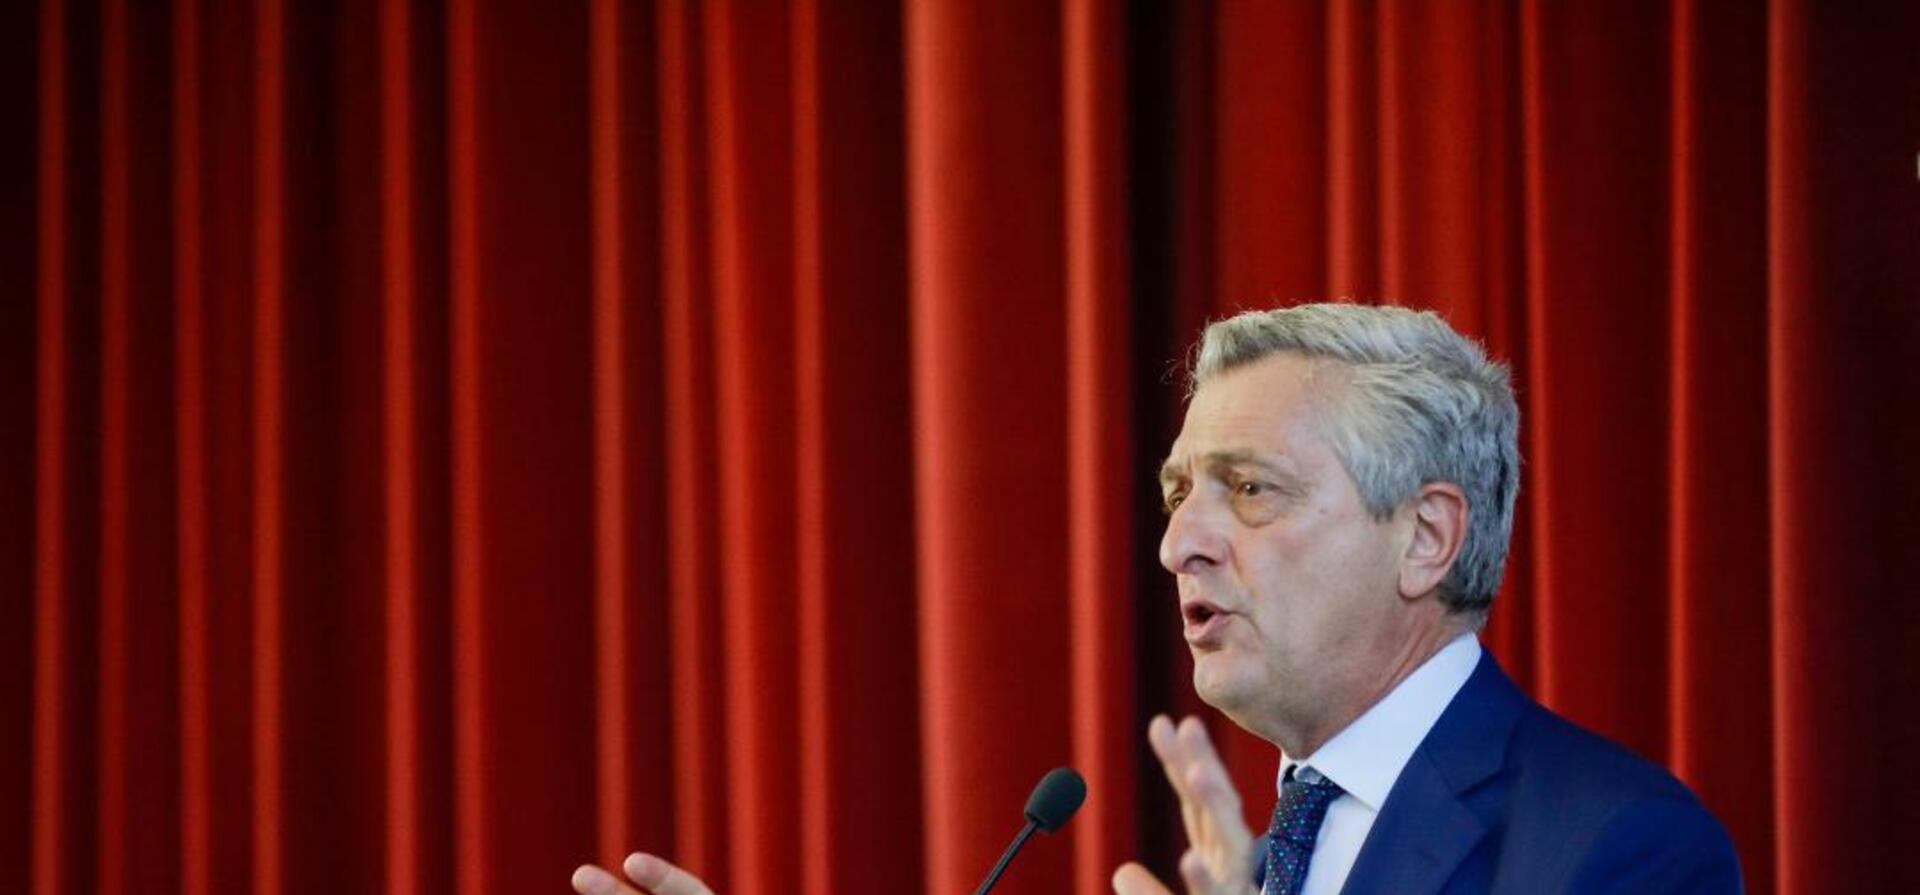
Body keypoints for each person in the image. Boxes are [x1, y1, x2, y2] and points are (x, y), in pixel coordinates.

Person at [572, 303, 1741, 895]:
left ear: (1426, 536)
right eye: (1181, 493)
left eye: (1250, 490)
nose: (1181, 542)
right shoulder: (1219, 857)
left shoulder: (1620, 848)